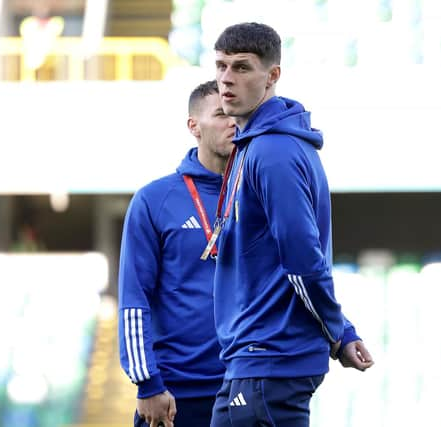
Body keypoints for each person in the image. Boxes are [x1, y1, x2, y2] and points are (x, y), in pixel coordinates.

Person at [206, 23, 375, 427]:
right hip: (251, 360)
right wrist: (342, 332)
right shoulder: (257, 144)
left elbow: (301, 261)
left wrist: (338, 332)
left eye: (242, 68)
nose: (227, 79)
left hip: (271, 359)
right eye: (221, 66)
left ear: (273, 76)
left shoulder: (273, 152)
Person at [117, 80, 236, 427]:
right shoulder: (155, 200)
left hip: (245, 383)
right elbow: (134, 297)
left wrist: (341, 333)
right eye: (220, 114)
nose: (232, 122)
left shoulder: (257, 193)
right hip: (174, 393)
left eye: (235, 115)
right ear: (193, 126)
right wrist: (147, 383)